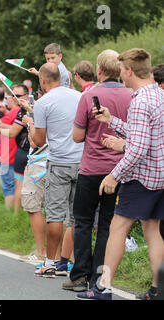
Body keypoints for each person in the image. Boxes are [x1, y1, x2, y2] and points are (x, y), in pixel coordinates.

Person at [77, 48, 164, 300]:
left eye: (123, 72)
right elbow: (144, 136)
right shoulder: (158, 95)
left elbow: (137, 148)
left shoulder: (140, 100)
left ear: (129, 71)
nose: (122, 77)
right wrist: (112, 120)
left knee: (117, 229)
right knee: (152, 230)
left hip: (141, 177)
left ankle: (103, 287)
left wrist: (114, 175)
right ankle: (158, 289)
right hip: (159, 176)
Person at [62, 50, 133, 292]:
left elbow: (77, 135)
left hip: (91, 168)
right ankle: (98, 276)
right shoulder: (132, 95)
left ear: (99, 70)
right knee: (107, 226)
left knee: (82, 221)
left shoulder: (89, 96)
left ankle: (80, 275)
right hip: (120, 171)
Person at [28, 63, 83, 278]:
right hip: (82, 162)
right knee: (77, 217)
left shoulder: (43, 102)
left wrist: (31, 125)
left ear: (42, 80)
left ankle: (50, 264)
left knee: (55, 216)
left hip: (59, 162)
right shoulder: (79, 97)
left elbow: (39, 141)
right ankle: (76, 263)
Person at [0, 84, 32, 212]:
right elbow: (13, 128)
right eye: (13, 95)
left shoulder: (23, 110)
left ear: (26, 96)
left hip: (25, 152)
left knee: (18, 187)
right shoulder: (23, 109)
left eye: (18, 96)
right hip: (28, 152)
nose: (15, 98)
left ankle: (15, 216)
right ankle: (17, 218)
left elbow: (12, 133)